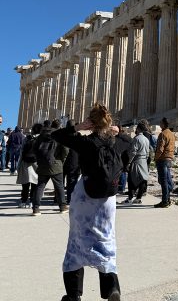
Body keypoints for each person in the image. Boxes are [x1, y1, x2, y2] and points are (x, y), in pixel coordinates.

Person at [51, 103, 128, 301]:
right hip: (107, 200)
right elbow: (128, 140)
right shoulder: (116, 143)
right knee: (106, 240)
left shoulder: (86, 142)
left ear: (91, 123)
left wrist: (78, 127)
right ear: (108, 122)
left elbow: (57, 135)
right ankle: (112, 289)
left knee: (77, 242)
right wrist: (117, 131)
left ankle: (74, 295)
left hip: (84, 197)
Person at [32, 119, 69, 215]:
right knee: (59, 186)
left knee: (40, 186)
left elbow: (34, 149)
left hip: (42, 164)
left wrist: (39, 159)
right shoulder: (59, 135)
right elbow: (65, 150)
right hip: (56, 163)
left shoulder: (40, 136)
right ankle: (62, 207)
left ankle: (36, 208)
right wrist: (61, 160)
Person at [123, 122, 149, 204]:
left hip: (136, 161)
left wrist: (129, 162)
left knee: (131, 180)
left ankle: (130, 198)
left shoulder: (136, 139)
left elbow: (133, 152)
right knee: (142, 179)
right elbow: (148, 152)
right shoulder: (146, 139)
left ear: (138, 129)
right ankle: (138, 198)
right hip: (143, 161)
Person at [16, 123, 41, 208]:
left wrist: (18, 165)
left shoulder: (26, 138)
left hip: (25, 163)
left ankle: (23, 201)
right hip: (37, 163)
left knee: (25, 184)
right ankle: (31, 202)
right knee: (35, 184)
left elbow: (21, 152)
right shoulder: (41, 139)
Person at [154, 117, 175, 208]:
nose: (159, 124)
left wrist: (156, 158)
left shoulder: (163, 134)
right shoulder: (171, 134)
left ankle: (165, 201)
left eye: (160, 122)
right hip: (169, 158)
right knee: (167, 180)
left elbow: (160, 149)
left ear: (163, 124)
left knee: (163, 181)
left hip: (162, 159)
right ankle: (168, 199)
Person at [63, 120, 80, 205]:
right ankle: (70, 199)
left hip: (62, 161)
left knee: (60, 182)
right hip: (74, 161)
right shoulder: (78, 136)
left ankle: (58, 199)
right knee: (72, 182)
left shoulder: (62, 135)